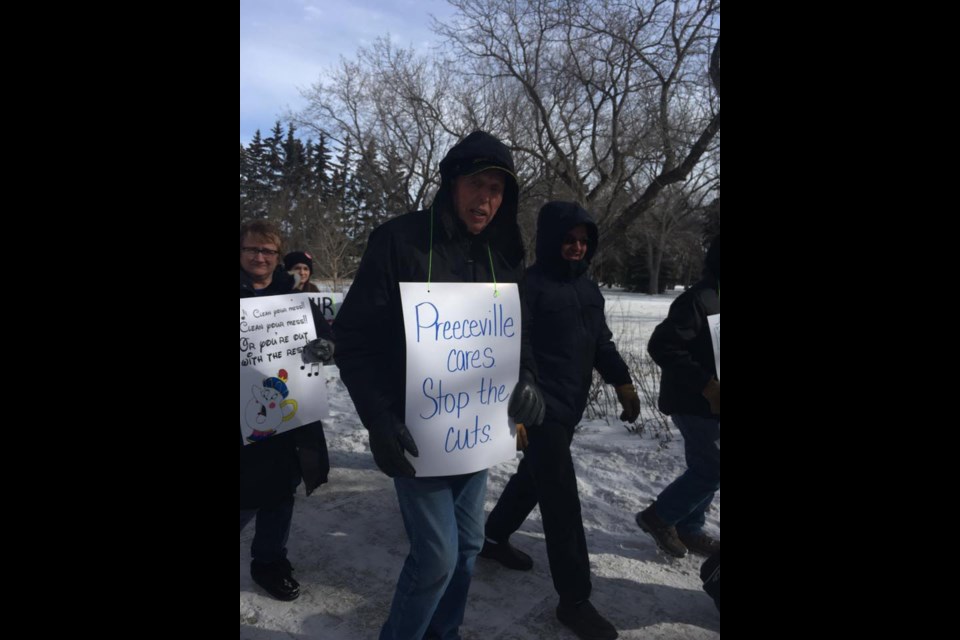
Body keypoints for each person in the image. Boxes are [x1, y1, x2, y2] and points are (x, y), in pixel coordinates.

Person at [333, 131, 545, 640]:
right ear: (452, 183)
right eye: (477, 184)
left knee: (469, 548)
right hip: (415, 433)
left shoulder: (502, 256)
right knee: (435, 560)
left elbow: (517, 337)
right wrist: (380, 418)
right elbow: (354, 339)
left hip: (476, 434)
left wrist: (529, 381)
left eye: (497, 189)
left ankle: (442, 633)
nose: (486, 199)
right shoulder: (400, 241)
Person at [480, 201, 638, 640]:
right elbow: (513, 346)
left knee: (535, 477)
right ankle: (575, 601)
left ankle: (492, 537)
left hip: (570, 405)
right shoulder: (528, 286)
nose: (576, 247)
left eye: (584, 241)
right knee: (562, 501)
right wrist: (517, 399)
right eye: (569, 240)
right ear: (552, 241)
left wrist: (622, 381)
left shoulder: (588, 288)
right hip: (538, 408)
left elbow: (600, 342)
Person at [239, 219, 335, 601]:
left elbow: (324, 334)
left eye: (268, 251)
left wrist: (326, 347)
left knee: (281, 492)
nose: (260, 257)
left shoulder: (293, 297)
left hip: (288, 412)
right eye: (251, 249)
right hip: (243, 414)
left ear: (277, 256)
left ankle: (269, 562)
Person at [636, 234, 720, 558]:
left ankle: (689, 528)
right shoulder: (699, 300)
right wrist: (706, 384)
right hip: (692, 401)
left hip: (713, 405)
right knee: (712, 468)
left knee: (704, 465)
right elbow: (661, 345)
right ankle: (658, 517)